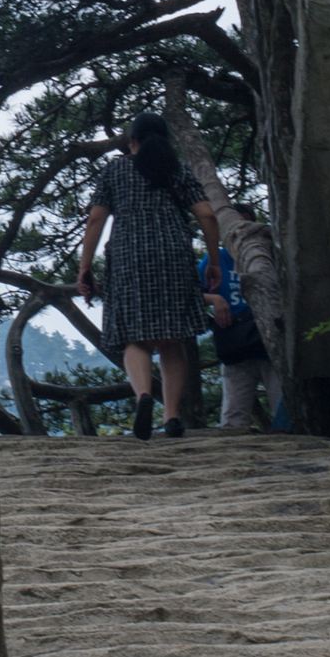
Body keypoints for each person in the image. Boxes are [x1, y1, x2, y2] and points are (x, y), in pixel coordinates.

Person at [75, 114, 219, 440]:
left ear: (132, 141)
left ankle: (142, 395)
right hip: (174, 255)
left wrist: (85, 266)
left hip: (128, 257)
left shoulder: (115, 170)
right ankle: (171, 417)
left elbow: (96, 219)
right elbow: (207, 215)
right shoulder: (177, 170)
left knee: (134, 337)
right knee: (172, 338)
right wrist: (214, 260)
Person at [198, 235, 268, 431]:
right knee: (234, 415)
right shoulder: (214, 262)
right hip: (235, 340)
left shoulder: (266, 257)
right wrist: (214, 299)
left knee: (285, 402)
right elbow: (189, 292)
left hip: (270, 338)